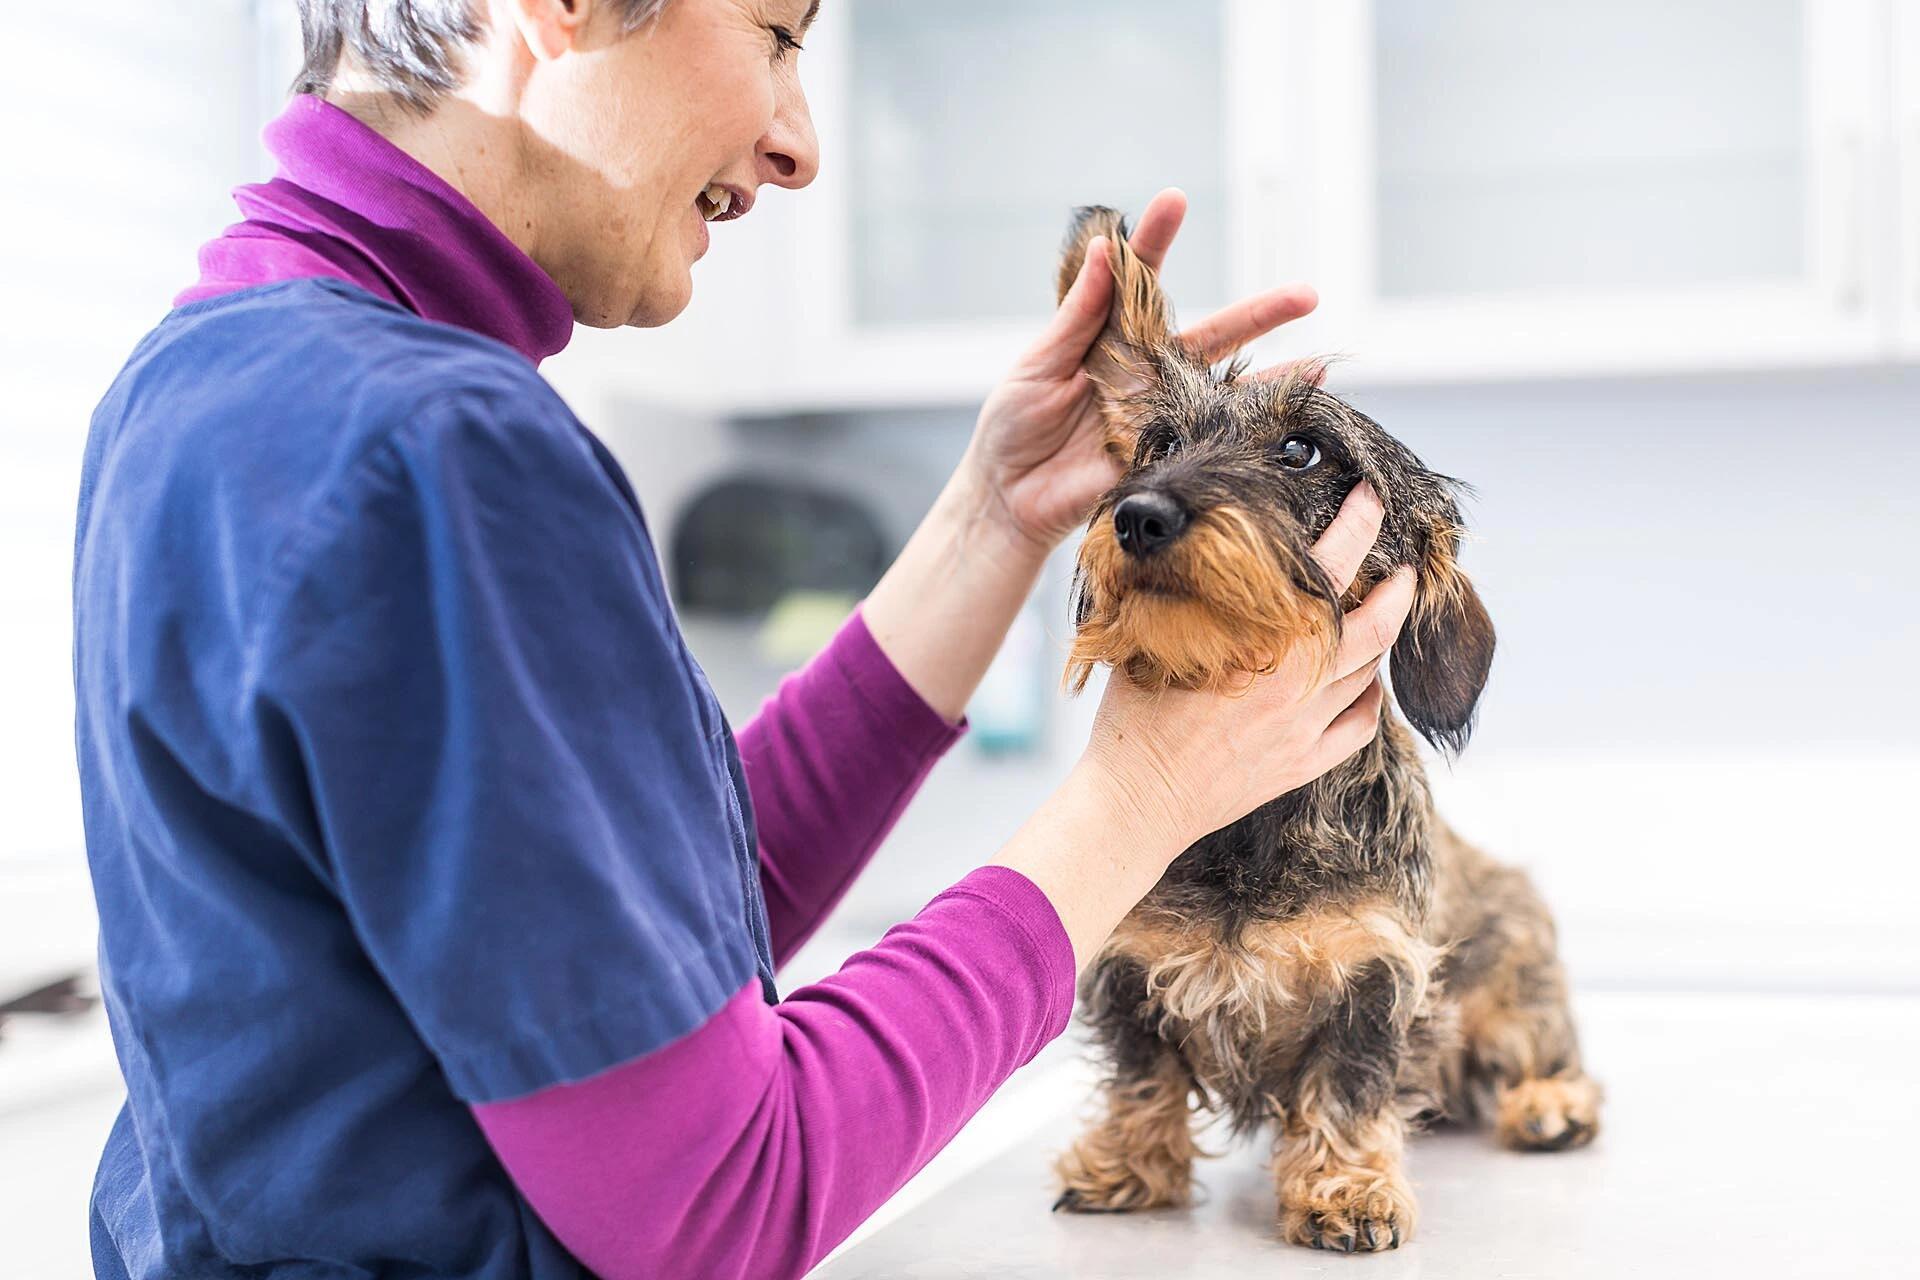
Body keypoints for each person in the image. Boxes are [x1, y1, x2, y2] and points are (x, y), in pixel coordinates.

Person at [72, 1, 1416, 1277]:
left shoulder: (209, 370)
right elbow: (719, 1204)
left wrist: (992, 521)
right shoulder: (440, 450)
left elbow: (630, 937)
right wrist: (1146, 796)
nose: (799, 142)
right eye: (774, 34)